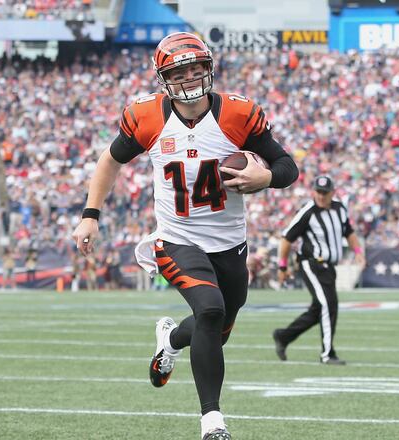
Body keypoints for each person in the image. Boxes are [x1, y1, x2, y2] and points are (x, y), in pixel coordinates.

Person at [71, 32, 298, 440]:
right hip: (177, 238)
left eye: (197, 68)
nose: (191, 78)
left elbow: (287, 166)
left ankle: (171, 340)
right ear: (163, 77)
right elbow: (110, 160)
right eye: (180, 71)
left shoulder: (238, 113)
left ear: (209, 68)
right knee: (210, 310)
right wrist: (90, 215)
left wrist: (264, 176)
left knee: (219, 324)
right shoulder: (146, 116)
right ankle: (212, 422)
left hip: (230, 243)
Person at [272, 175, 365, 366]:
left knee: (319, 308)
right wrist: (282, 266)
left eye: (325, 192)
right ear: (313, 191)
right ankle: (327, 353)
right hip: (311, 263)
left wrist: (358, 252)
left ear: (332, 192)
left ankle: (283, 336)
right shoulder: (308, 212)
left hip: (329, 267)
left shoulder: (340, 209)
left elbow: (349, 232)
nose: (321, 196)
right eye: (318, 192)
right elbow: (286, 239)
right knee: (328, 305)